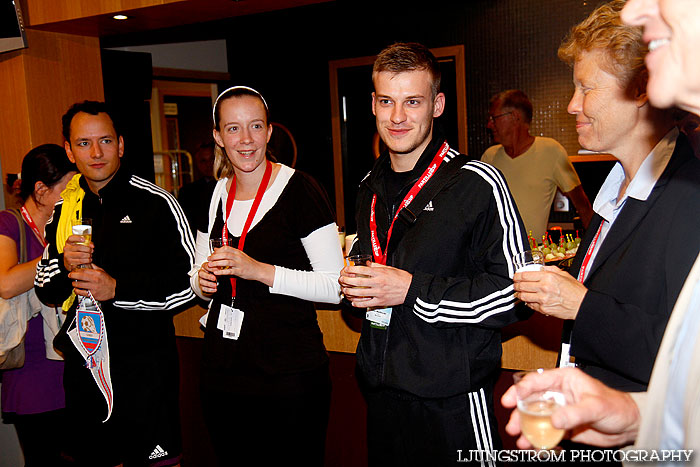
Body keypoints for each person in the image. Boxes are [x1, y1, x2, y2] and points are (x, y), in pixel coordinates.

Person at [503, 0, 700, 454]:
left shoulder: (688, 198)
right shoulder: (613, 193)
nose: (572, 104)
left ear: (640, 91)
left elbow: (678, 358)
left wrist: (580, 304)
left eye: (585, 88)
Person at [338, 42, 530, 466]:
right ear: (372, 104)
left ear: (437, 105)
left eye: (412, 102)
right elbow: (369, 261)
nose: (397, 117)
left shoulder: (477, 183)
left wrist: (412, 290)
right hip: (383, 398)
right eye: (386, 101)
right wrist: (354, 284)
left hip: (454, 404)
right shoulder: (369, 186)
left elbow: (518, 293)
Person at [34, 101, 196, 467]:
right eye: (84, 143)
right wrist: (63, 263)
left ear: (121, 145)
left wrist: (118, 289)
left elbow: (189, 285)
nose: (96, 152)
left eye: (105, 141)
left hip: (145, 376)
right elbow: (46, 289)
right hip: (83, 373)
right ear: (69, 150)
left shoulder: (157, 203)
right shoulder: (64, 208)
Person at [192, 86, 343, 466]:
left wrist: (258, 271)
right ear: (217, 137)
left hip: (289, 375)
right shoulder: (214, 194)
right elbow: (196, 271)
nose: (245, 140)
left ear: (269, 132)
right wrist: (202, 282)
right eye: (233, 129)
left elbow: (334, 286)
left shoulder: (301, 190)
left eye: (255, 126)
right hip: (223, 372)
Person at [0, 144, 76, 466]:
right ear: (41, 190)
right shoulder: (9, 223)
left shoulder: (72, 225)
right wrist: (56, 256)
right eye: (68, 189)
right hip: (31, 372)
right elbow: (5, 283)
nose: (74, 196)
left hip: (73, 365)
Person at [481, 89, 593, 240]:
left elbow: (583, 206)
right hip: (492, 257)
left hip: (532, 257)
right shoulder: (489, 157)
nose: (489, 124)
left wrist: (599, 253)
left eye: (494, 118)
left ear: (514, 117)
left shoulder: (551, 151)